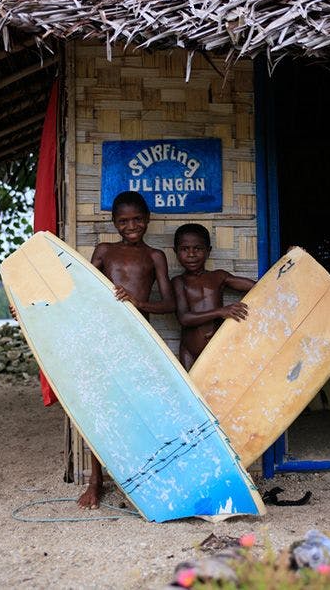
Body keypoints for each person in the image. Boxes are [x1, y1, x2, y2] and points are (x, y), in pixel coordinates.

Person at [78, 191, 176, 509]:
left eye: (136, 219)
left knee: (139, 408)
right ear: (114, 223)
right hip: (104, 337)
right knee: (99, 407)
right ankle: (96, 481)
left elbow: (170, 303)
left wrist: (138, 303)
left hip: (138, 339)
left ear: (147, 220)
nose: (131, 226)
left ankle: (142, 479)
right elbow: (81, 289)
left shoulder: (155, 256)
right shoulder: (104, 251)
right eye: (123, 221)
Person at [171, 223, 255, 371]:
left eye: (198, 249)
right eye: (185, 249)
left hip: (219, 348)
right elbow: (184, 318)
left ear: (208, 251)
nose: (191, 254)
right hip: (190, 351)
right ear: (175, 252)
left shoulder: (219, 276)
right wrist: (220, 312)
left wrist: (290, 261)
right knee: (192, 391)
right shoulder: (179, 282)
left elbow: (257, 287)